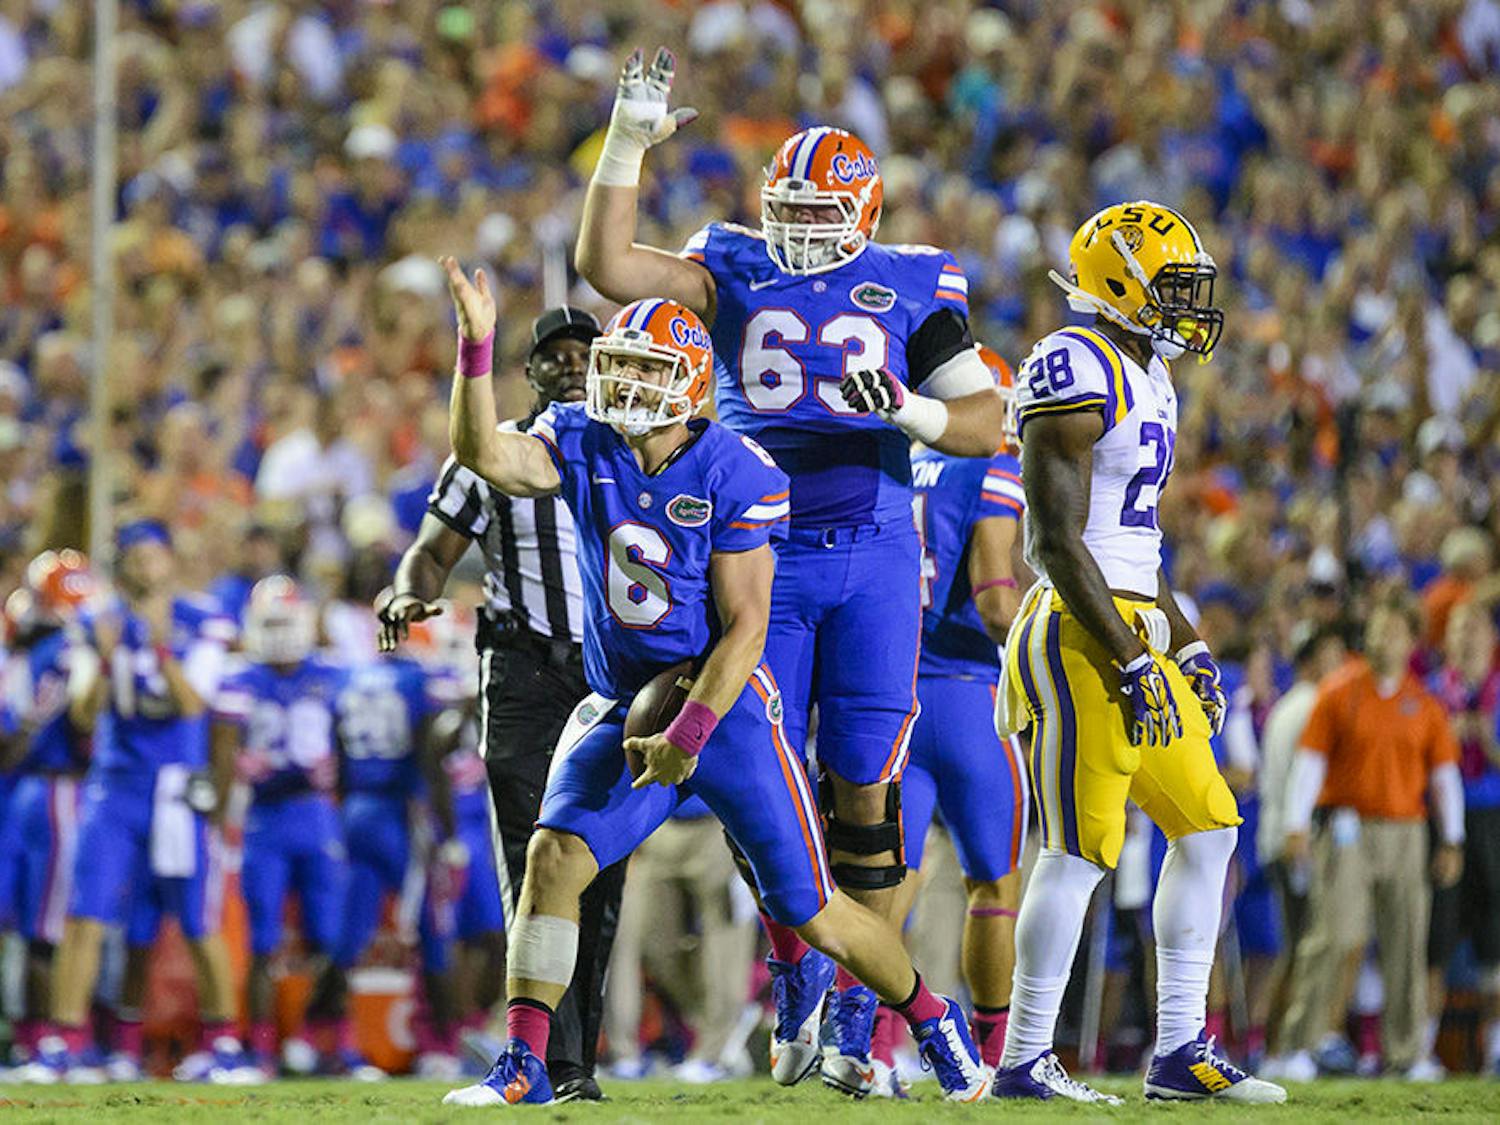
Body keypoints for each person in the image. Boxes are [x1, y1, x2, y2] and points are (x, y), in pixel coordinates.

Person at [437, 263, 987, 1106]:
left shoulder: (740, 469)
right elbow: (485, 455)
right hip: (624, 699)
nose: (622, 383)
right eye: (618, 365)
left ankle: (930, 1017)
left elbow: (746, 629)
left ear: (690, 379)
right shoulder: (583, 435)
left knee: (817, 911)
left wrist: (686, 734)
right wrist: (476, 348)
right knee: (551, 858)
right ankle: (523, 1063)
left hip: (726, 710)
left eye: (645, 369)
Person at [574, 47, 1007, 1093]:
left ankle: (859, 1019)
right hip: (754, 548)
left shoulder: (915, 280)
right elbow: (610, 270)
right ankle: (792, 970)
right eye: (792, 207)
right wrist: (628, 143)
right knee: (769, 792)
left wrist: (906, 409)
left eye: (825, 210)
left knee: (865, 788)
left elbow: (986, 421)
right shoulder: (730, 262)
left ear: (865, 210)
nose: (804, 229)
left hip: (872, 551)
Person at [993, 201, 1283, 1103]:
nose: (1188, 306)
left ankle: (1179, 1050)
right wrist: (1127, 654)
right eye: (1171, 287)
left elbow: (1136, 540)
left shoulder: (1147, 369)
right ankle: (1024, 1058)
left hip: (1131, 623)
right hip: (1081, 631)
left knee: (1211, 826)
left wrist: (1182, 642)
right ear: (1118, 283)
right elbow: (1054, 540)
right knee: (1079, 850)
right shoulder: (1074, 361)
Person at [377, 304, 623, 1101]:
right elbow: (431, 551)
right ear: (531, 374)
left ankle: (574, 1060)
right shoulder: (493, 455)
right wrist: (407, 592)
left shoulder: (638, 448)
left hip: (611, 677)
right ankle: (547, 1058)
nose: (571, 364)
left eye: (585, 351)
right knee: (530, 861)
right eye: (553, 356)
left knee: (600, 870)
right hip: (521, 670)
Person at [36, 521, 241, 1083]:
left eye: (154, 556)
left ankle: (225, 1045)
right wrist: (104, 659)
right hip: (115, 782)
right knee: (86, 913)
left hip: (176, 786)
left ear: (169, 561)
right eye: (135, 558)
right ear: (122, 564)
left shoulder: (201, 619)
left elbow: (194, 703)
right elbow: (82, 713)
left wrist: (157, 644)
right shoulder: (95, 622)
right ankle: (65, 1043)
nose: (146, 568)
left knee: (199, 919)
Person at [882, 344, 1028, 1091]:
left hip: (891, 692)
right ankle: (996, 1054)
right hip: (970, 693)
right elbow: (995, 591)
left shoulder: (898, 457)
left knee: (885, 888)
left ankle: (868, 1052)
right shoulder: (995, 461)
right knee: (994, 886)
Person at [1276, 596, 1464, 1079]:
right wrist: (1296, 825)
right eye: (1379, 630)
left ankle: (1408, 1053)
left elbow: (1444, 776)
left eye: (1395, 632)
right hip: (1346, 828)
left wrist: (1452, 840)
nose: (1385, 640)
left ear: (1412, 641)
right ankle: (1301, 1044)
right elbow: (1310, 764)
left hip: (1406, 830)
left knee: (1407, 941)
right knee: (1333, 935)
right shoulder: (1339, 691)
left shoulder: (1424, 703)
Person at [210, 576, 349, 1079]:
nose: (279, 634)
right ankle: (263, 1048)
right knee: (262, 939)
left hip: (315, 814)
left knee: (331, 937)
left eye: (285, 622)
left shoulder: (331, 675)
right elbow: (220, 753)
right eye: (269, 623)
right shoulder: (239, 677)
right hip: (264, 818)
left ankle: (323, 1040)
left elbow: (351, 750)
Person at [0, 551, 94, 1068]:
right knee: (45, 924)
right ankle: (40, 1040)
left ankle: (32, 1038)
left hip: (29, 790)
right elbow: (80, 725)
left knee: (36, 923)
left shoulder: (36, 652)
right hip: (49, 790)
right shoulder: (58, 652)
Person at [1257, 622, 1348, 1074]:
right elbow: (1304, 783)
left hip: (1279, 836)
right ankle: (1284, 1048)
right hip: (1299, 841)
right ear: (1310, 661)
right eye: (1332, 655)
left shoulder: (1286, 706)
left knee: (1295, 948)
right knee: (1303, 949)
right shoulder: (1314, 706)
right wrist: (1304, 838)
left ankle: (1276, 1047)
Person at [1427, 598, 1500, 1078]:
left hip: (1493, 818)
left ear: (1491, 641)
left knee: (1497, 935)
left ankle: (1495, 1047)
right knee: (1437, 932)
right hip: (1443, 821)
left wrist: (1484, 736)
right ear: (1447, 640)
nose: (1469, 637)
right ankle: (1420, 1048)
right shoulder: (1432, 692)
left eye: (1477, 628)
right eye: (1460, 629)